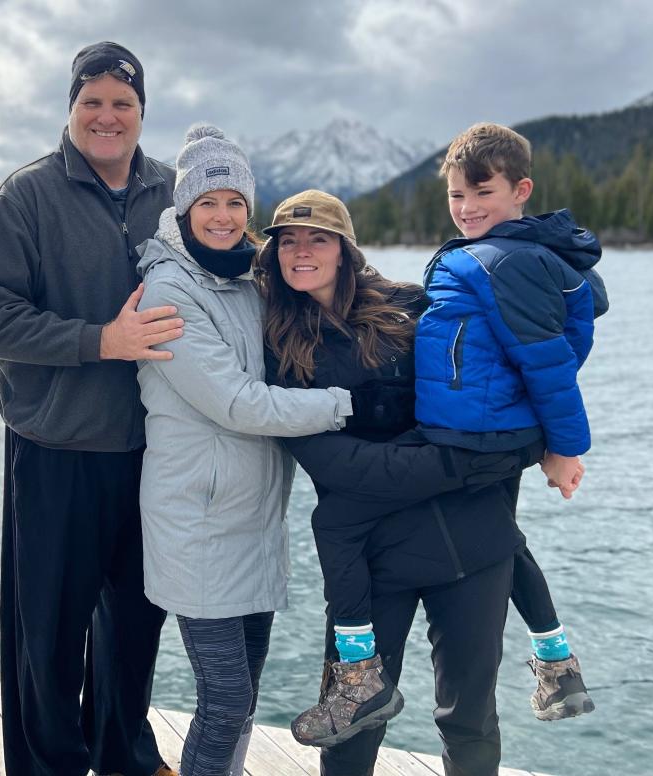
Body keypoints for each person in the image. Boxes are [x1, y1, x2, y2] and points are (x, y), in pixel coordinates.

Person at [260, 189, 542, 775]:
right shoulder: (277, 349)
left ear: (346, 249)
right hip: (373, 562)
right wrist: (458, 466)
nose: (302, 250)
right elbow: (334, 465)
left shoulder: (415, 308)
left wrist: (520, 449)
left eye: (318, 238)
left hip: (474, 547)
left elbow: (497, 390)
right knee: (352, 723)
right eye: (288, 240)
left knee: (470, 719)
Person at [0, 42, 182, 776]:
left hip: (155, 452)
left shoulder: (176, 194)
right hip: (55, 448)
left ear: (142, 112)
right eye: (92, 101)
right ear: (71, 109)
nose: (107, 116)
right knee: (48, 638)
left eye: (122, 102)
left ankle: (124, 756)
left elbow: (233, 277)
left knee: (134, 630)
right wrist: (102, 341)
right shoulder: (23, 197)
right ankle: (46, 766)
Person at [133, 125, 354, 776]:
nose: (224, 216)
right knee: (225, 700)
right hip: (196, 527)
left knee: (243, 698)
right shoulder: (170, 291)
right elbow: (236, 403)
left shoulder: (254, 281)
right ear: (184, 209)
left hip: (256, 522)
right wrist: (343, 406)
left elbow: (324, 318)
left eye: (235, 203)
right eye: (209, 203)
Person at [417, 122, 607, 721]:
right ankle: (555, 659)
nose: (467, 208)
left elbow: (547, 361)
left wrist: (565, 448)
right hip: (485, 421)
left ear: (521, 190)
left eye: (483, 193)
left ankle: (556, 666)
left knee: (489, 537)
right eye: (456, 196)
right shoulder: (502, 256)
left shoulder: (506, 261)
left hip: (482, 431)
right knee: (499, 536)